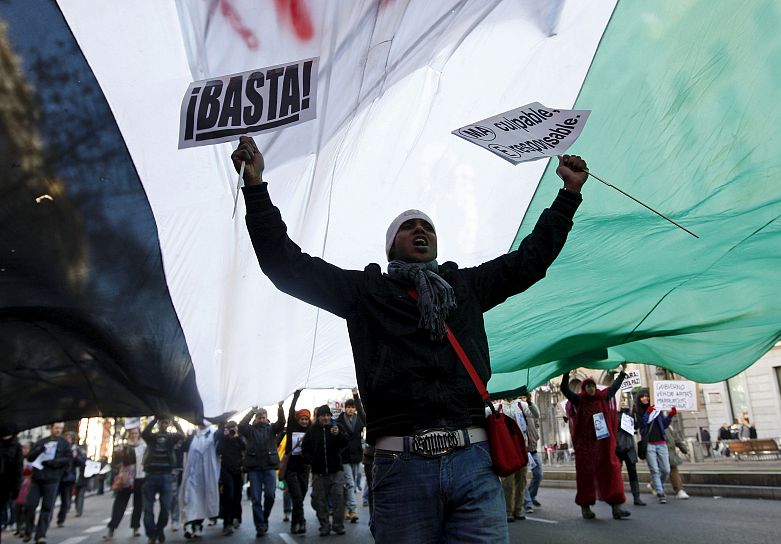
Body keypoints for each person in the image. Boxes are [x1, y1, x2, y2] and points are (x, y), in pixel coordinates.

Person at [233, 135, 588, 543]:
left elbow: (530, 260)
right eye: (408, 227)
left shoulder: (465, 287)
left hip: (473, 462)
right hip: (401, 467)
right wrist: (256, 188)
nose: (420, 231)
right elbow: (285, 265)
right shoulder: (366, 294)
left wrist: (568, 195)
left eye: (427, 227)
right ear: (390, 246)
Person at [561, 367, 630, 520]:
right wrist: (565, 371)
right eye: (588, 386)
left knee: (611, 471)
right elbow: (564, 389)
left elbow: (614, 387)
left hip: (604, 445)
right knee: (586, 475)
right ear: (583, 388)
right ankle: (585, 506)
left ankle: (616, 507)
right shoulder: (579, 400)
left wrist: (623, 372)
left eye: (592, 385)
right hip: (585, 447)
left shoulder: (603, 397)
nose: (591, 388)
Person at [238, 403, 285, 537]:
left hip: (269, 467)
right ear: (256, 418)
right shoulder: (250, 430)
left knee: (270, 496)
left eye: (263, 417)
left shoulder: (271, 429)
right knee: (256, 499)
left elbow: (282, 422)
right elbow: (241, 426)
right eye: (259, 417)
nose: (261, 419)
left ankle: (264, 518)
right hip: (254, 469)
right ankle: (260, 526)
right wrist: (251, 411)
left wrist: (280, 408)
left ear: (266, 418)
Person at [302, 405, 348, 536]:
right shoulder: (312, 431)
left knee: (339, 498)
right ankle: (324, 526)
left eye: (328, 415)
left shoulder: (336, 427)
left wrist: (338, 434)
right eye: (323, 415)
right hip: (319, 473)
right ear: (318, 417)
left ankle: (338, 526)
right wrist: (312, 460)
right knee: (320, 501)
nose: (326, 418)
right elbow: (304, 449)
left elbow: (345, 442)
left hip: (336, 471)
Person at [25, 422, 72, 544]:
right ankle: (28, 530)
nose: (58, 430)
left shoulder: (64, 444)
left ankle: (41, 535)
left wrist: (55, 462)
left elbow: (68, 459)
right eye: (56, 428)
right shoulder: (42, 441)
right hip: (37, 478)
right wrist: (39, 450)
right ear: (51, 428)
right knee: (30, 505)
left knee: (47, 508)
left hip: (52, 479)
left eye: (60, 428)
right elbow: (30, 457)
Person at [141, 417, 185, 544]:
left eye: (166, 422)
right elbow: (144, 433)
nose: (164, 424)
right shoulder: (152, 437)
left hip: (166, 476)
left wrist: (174, 420)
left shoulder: (171, 438)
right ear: (159, 423)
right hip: (151, 476)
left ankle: (159, 529)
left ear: (168, 423)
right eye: (162, 422)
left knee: (165, 508)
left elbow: (181, 434)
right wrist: (155, 419)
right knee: (148, 509)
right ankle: (151, 535)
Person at [488, 398, 531, 522]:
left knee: (521, 481)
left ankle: (518, 509)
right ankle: (508, 511)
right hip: (507, 450)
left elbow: (535, 413)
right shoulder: (497, 407)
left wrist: (530, 402)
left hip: (522, 449)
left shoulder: (521, 405)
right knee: (508, 483)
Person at [634, 389, 677, 504]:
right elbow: (642, 424)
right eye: (642, 397)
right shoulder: (639, 411)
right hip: (649, 444)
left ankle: (655, 485)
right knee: (655, 470)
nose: (644, 398)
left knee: (666, 470)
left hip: (661, 443)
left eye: (646, 396)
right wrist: (648, 412)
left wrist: (670, 416)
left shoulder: (657, 410)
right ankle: (660, 493)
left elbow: (664, 424)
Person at [104, 427, 146, 540]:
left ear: (139, 434)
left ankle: (135, 528)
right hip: (126, 479)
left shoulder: (144, 446)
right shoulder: (124, 446)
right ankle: (111, 529)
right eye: (132, 433)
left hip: (139, 478)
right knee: (120, 504)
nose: (134, 435)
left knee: (138, 505)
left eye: (136, 433)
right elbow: (115, 463)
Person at [180, 425, 220, 539]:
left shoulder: (214, 434)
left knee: (202, 501)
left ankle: (198, 525)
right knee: (190, 500)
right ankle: (188, 525)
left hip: (206, 476)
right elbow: (184, 449)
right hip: (192, 474)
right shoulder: (192, 434)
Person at [283, 390, 311, 535]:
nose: (304, 421)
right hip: (291, 468)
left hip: (304, 469)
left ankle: (295, 523)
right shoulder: (292, 428)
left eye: (307, 419)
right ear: (297, 419)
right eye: (302, 419)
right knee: (297, 497)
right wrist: (296, 395)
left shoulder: (311, 431)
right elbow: (291, 411)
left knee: (299, 498)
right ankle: (302, 522)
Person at [336, 388, 365, 523]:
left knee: (350, 483)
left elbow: (363, 413)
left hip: (356, 456)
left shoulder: (359, 420)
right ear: (345, 408)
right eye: (348, 407)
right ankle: (353, 510)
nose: (350, 409)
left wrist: (356, 396)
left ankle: (346, 509)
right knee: (350, 483)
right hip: (344, 457)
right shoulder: (339, 421)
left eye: (352, 407)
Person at [216, 420, 245, 536]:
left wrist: (237, 437)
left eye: (233, 428)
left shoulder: (239, 438)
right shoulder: (224, 439)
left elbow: (245, 447)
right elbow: (219, 451)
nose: (232, 430)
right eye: (229, 428)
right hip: (226, 470)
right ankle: (227, 524)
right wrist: (226, 437)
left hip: (238, 471)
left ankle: (235, 518)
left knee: (237, 497)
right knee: (229, 496)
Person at [615, 395, 646, 506]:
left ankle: (636, 497)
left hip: (629, 447)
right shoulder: (612, 414)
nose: (623, 402)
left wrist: (635, 414)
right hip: (617, 448)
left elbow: (635, 427)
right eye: (620, 400)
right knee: (616, 474)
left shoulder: (629, 412)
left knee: (633, 473)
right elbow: (617, 426)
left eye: (623, 400)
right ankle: (616, 496)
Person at [55, 432, 85, 527]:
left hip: (69, 478)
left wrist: (75, 457)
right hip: (57, 477)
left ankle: (61, 520)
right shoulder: (59, 447)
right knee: (51, 499)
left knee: (65, 500)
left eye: (70, 438)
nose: (68, 440)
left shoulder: (76, 449)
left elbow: (82, 462)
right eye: (66, 438)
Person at [521, 394, 543, 512]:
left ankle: (530, 495)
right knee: (522, 477)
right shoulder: (516, 410)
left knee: (538, 474)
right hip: (521, 450)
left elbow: (537, 421)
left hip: (533, 450)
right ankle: (527, 502)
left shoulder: (530, 409)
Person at [0, 426, 23, 534]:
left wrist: (17, 486)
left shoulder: (16, 447)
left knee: (9, 504)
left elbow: (19, 467)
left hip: (9, 483)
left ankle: (11, 522)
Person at [664, 427, 690, 499]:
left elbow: (676, 439)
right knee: (663, 471)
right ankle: (654, 485)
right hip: (660, 452)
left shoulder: (668, 427)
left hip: (670, 453)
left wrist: (684, 449)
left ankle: (679, 490)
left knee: (673, 469)